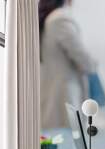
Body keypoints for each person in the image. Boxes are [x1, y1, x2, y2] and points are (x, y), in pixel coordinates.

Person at [39, 0, 96, 129]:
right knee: (68, 145)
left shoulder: (50, 18)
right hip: (65, 96)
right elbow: (85, 61)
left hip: (56, 94)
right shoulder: (60, 19)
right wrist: (93, 63)